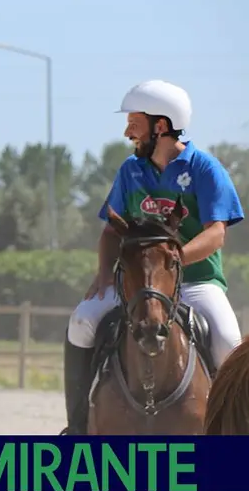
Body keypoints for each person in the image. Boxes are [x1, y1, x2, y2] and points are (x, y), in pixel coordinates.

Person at [61, 79, 244, 436]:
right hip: (134, 284)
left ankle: (234, 439)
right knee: (81, 322)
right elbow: (112, 230)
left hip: (196, 283)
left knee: (228, 342)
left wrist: (171, 263)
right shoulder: (131, 171)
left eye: (134, 121)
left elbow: (216, 233)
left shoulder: (205, 169)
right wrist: (102, 274)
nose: (127, 130)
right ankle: (79, 426)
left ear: (160, 126)